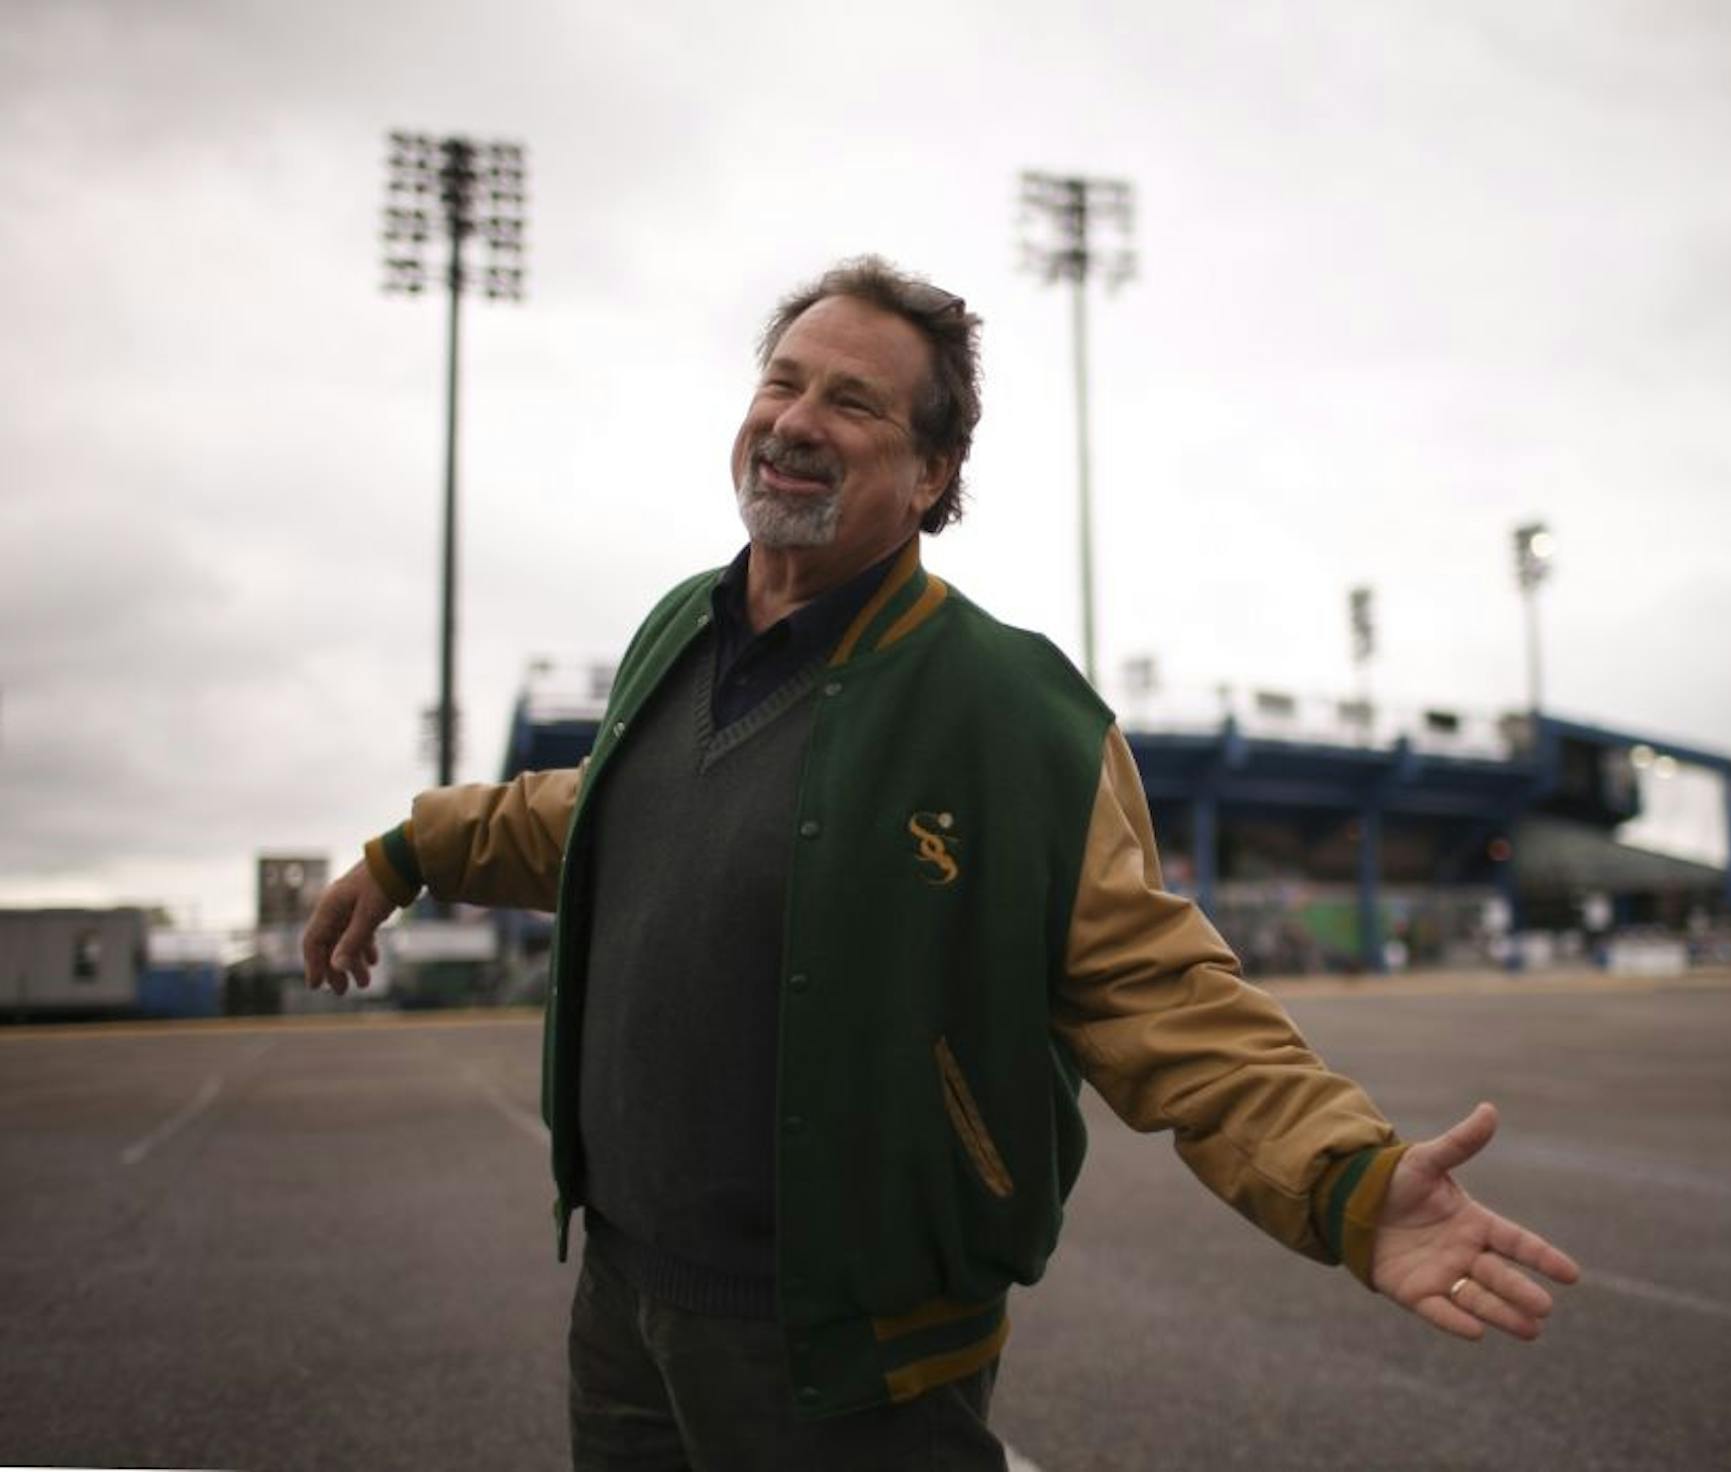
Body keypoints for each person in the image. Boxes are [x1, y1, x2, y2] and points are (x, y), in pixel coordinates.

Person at [302, 257, 1581, 1470]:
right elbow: (598, 811)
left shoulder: (1008, 710)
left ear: (930, 474)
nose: (796, 420)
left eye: (851, 401)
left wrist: (1344, 1177)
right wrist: (416, 845)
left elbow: (1157, 987)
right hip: (627, 1305)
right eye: (782, 382)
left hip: (857, 1351)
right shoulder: (679, 632)